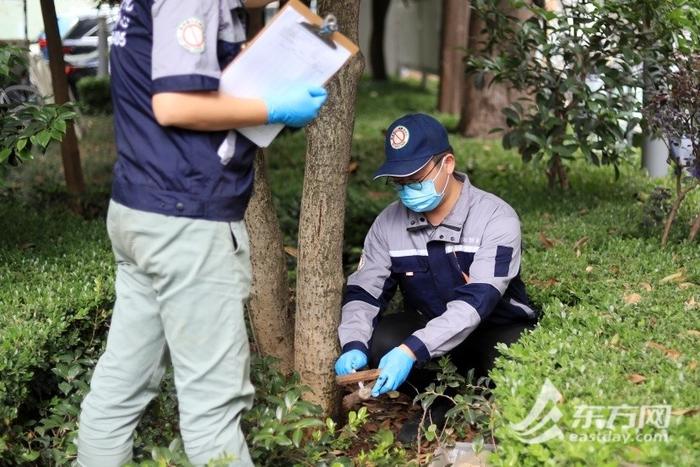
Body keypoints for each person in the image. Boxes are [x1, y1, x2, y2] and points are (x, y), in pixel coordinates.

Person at [77, 1, 326, 465]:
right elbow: (173, 104)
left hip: (142, 211)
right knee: (214, 408)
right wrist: (272, 105)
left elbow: (188, 76)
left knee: (120, 388)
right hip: (186, 219)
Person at [334, 113, 539, 443]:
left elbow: (477, 303)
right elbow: (364, 291)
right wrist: (353, 344)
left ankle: (481, 400)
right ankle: (442, 401)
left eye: (415, 178)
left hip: (495, 329)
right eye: (398, 182)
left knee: (515, 356)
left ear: (447, 163)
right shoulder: (388, 224)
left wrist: (411, 351)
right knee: (382, 340)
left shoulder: (496, 218)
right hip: (434, 337)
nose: (406, 190)